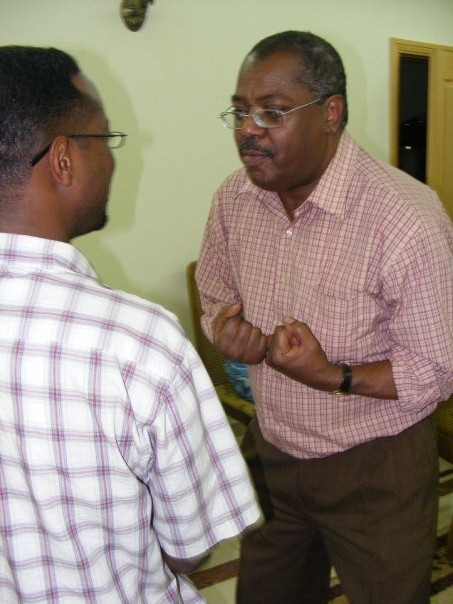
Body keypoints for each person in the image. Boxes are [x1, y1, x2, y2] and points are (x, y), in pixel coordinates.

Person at [196, 30, 453, 604]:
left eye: (272, 112)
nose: (248, 130)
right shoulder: (234, 200)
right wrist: (225, 332)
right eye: (240, 112)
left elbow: (436, 370)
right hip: (273, 452)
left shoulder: (405, 219)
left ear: (331, 113)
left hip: (376, 469)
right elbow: (213, 293)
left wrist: (333, 375)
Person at [0, 46, 260, 604]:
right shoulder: (137, 344)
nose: (114, 161)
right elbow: (189, 546)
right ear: (63, 160)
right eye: (105, 139)